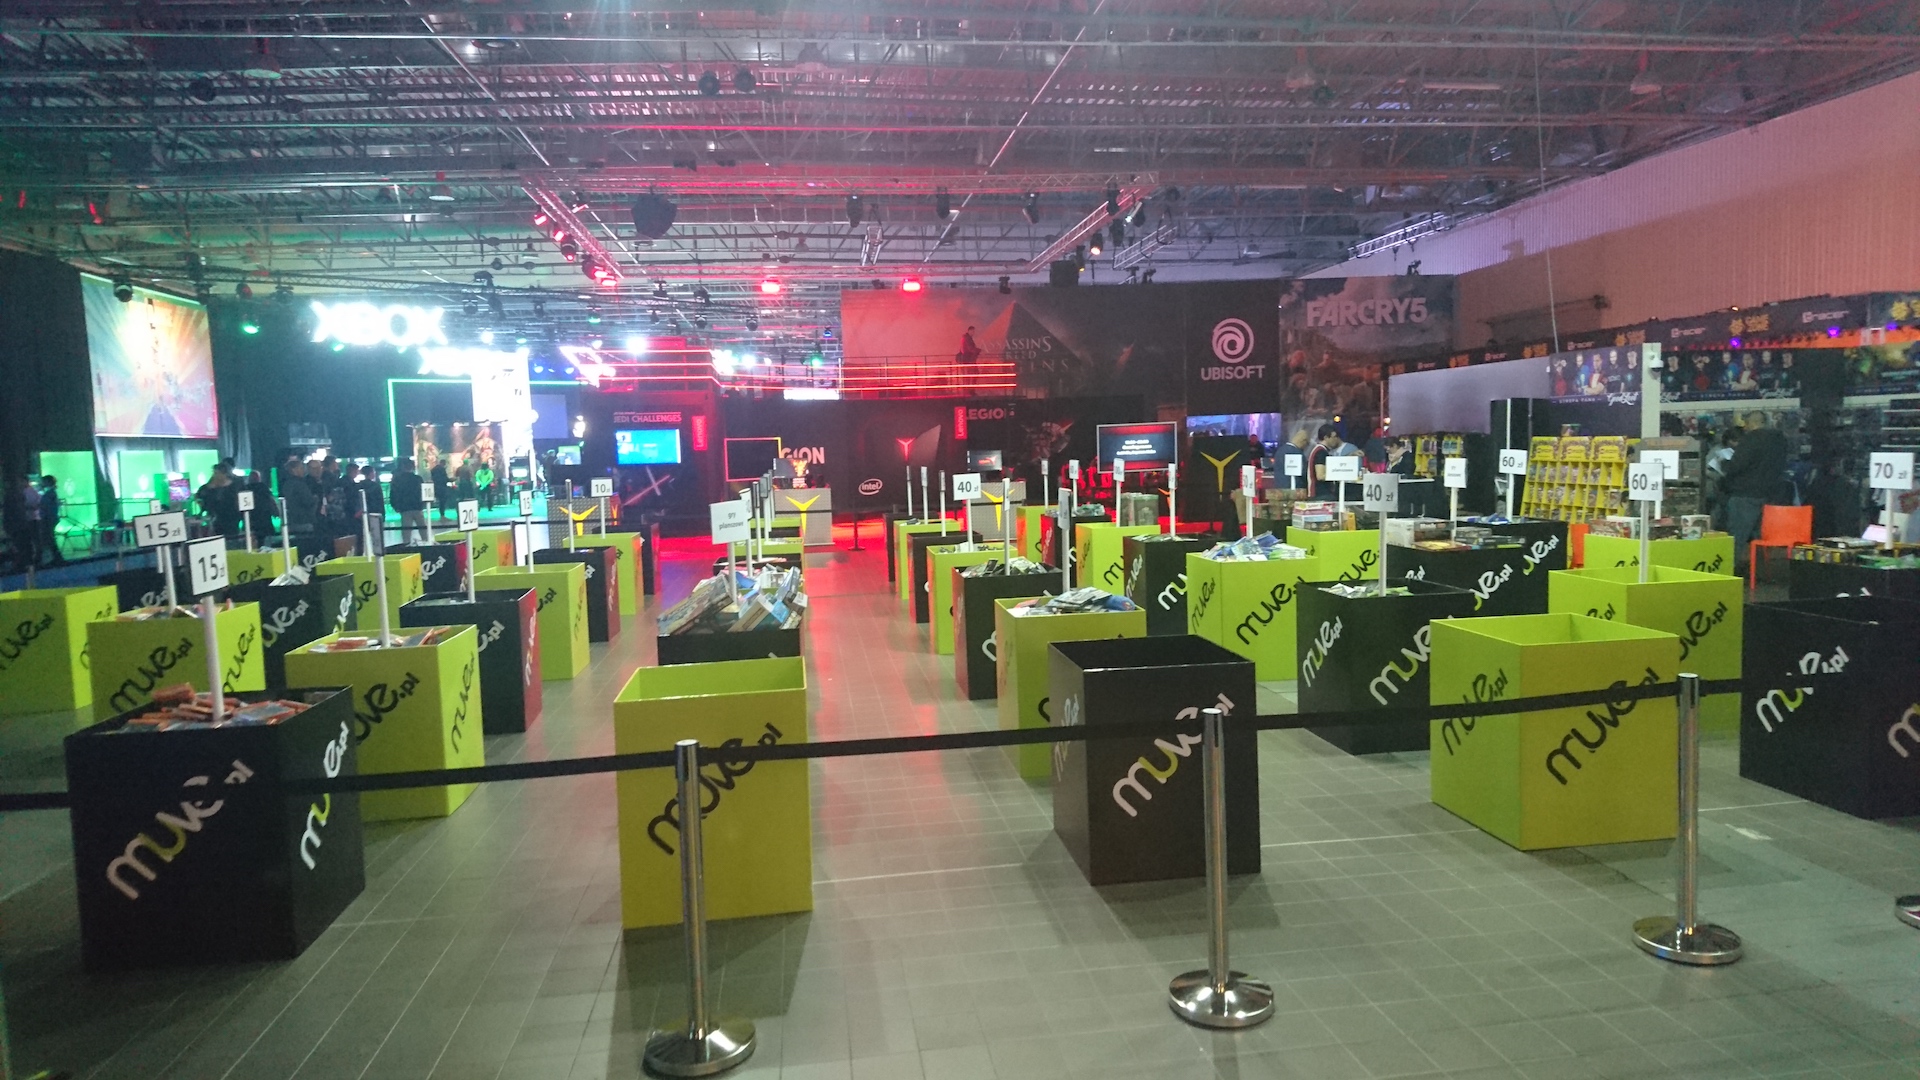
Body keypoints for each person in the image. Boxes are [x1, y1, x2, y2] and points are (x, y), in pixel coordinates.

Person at [1720, 416, 1790, 572]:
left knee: (1737, 536)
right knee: (1761, 537)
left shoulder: (1751, 439)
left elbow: (1737, 466)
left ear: (1751, 423)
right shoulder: (1780, 440)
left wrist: (1724, 464)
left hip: (1745, 494)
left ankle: (1729, 570)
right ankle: (1760, 571)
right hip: (1771, 494)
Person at [391, 459, 430, 544]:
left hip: (405, 508)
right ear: (412, 467)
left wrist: (396, 506)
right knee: (422, 529)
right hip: (417, 507)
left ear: (402, 467)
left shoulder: (397, 480)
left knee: (406, 531)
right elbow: (423, 492)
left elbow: (393, 494)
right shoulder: (418, 478)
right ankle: (426, 544)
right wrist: (422, 504)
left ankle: (407, 546)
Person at [355, 462, 388, 554]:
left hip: (362, 514)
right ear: (370, 473)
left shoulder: (358, 486)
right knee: (376, 536)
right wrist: (383, 515)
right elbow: (380, 502)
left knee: (363, 535)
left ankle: (364, 553)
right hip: (375, 513)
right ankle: (377, 553)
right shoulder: (376, 486)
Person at [195, 468, 238, 537]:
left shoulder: (233, 487)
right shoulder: (209, 488)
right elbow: (199, 497)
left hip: (230, 520)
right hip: (216, 521)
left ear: (223, 474)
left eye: (216, 473)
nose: (214, 475)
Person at [36, 474, 65, 566]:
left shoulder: (49, 494)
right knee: (49, 538)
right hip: (49, 518)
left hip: (48, 519)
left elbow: (48, 508)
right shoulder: (51, 493)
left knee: (49, 538)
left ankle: (57, 557)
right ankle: (56, 557)